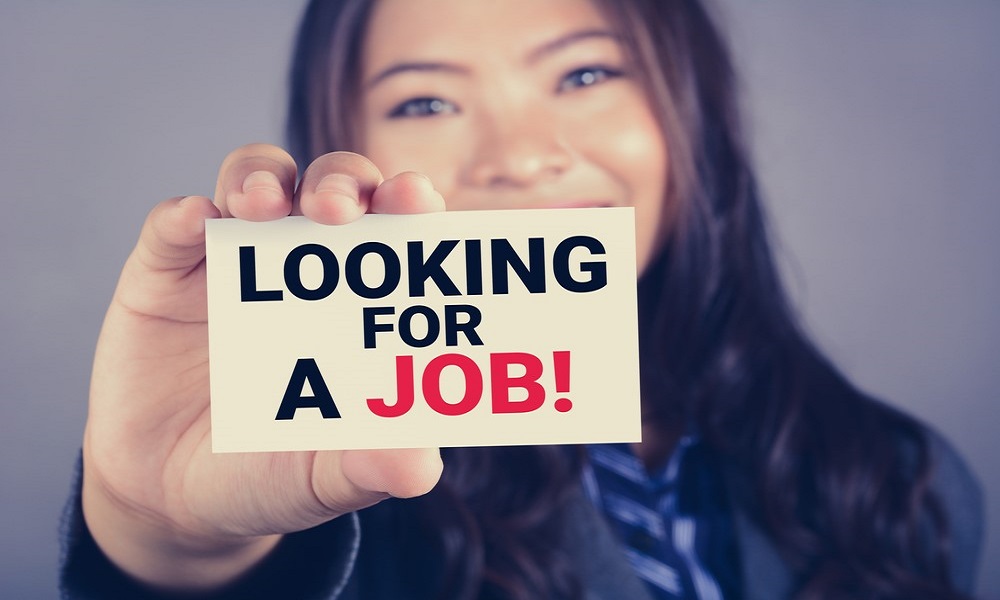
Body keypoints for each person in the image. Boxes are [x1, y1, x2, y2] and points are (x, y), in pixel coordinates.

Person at [60, 0, 983, 598]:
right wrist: (165, 544)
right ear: (347, 144)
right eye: (425, 102)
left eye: (585, 75)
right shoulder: (346, 494)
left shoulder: (906, 480)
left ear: (687, 108)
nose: (519, 153)